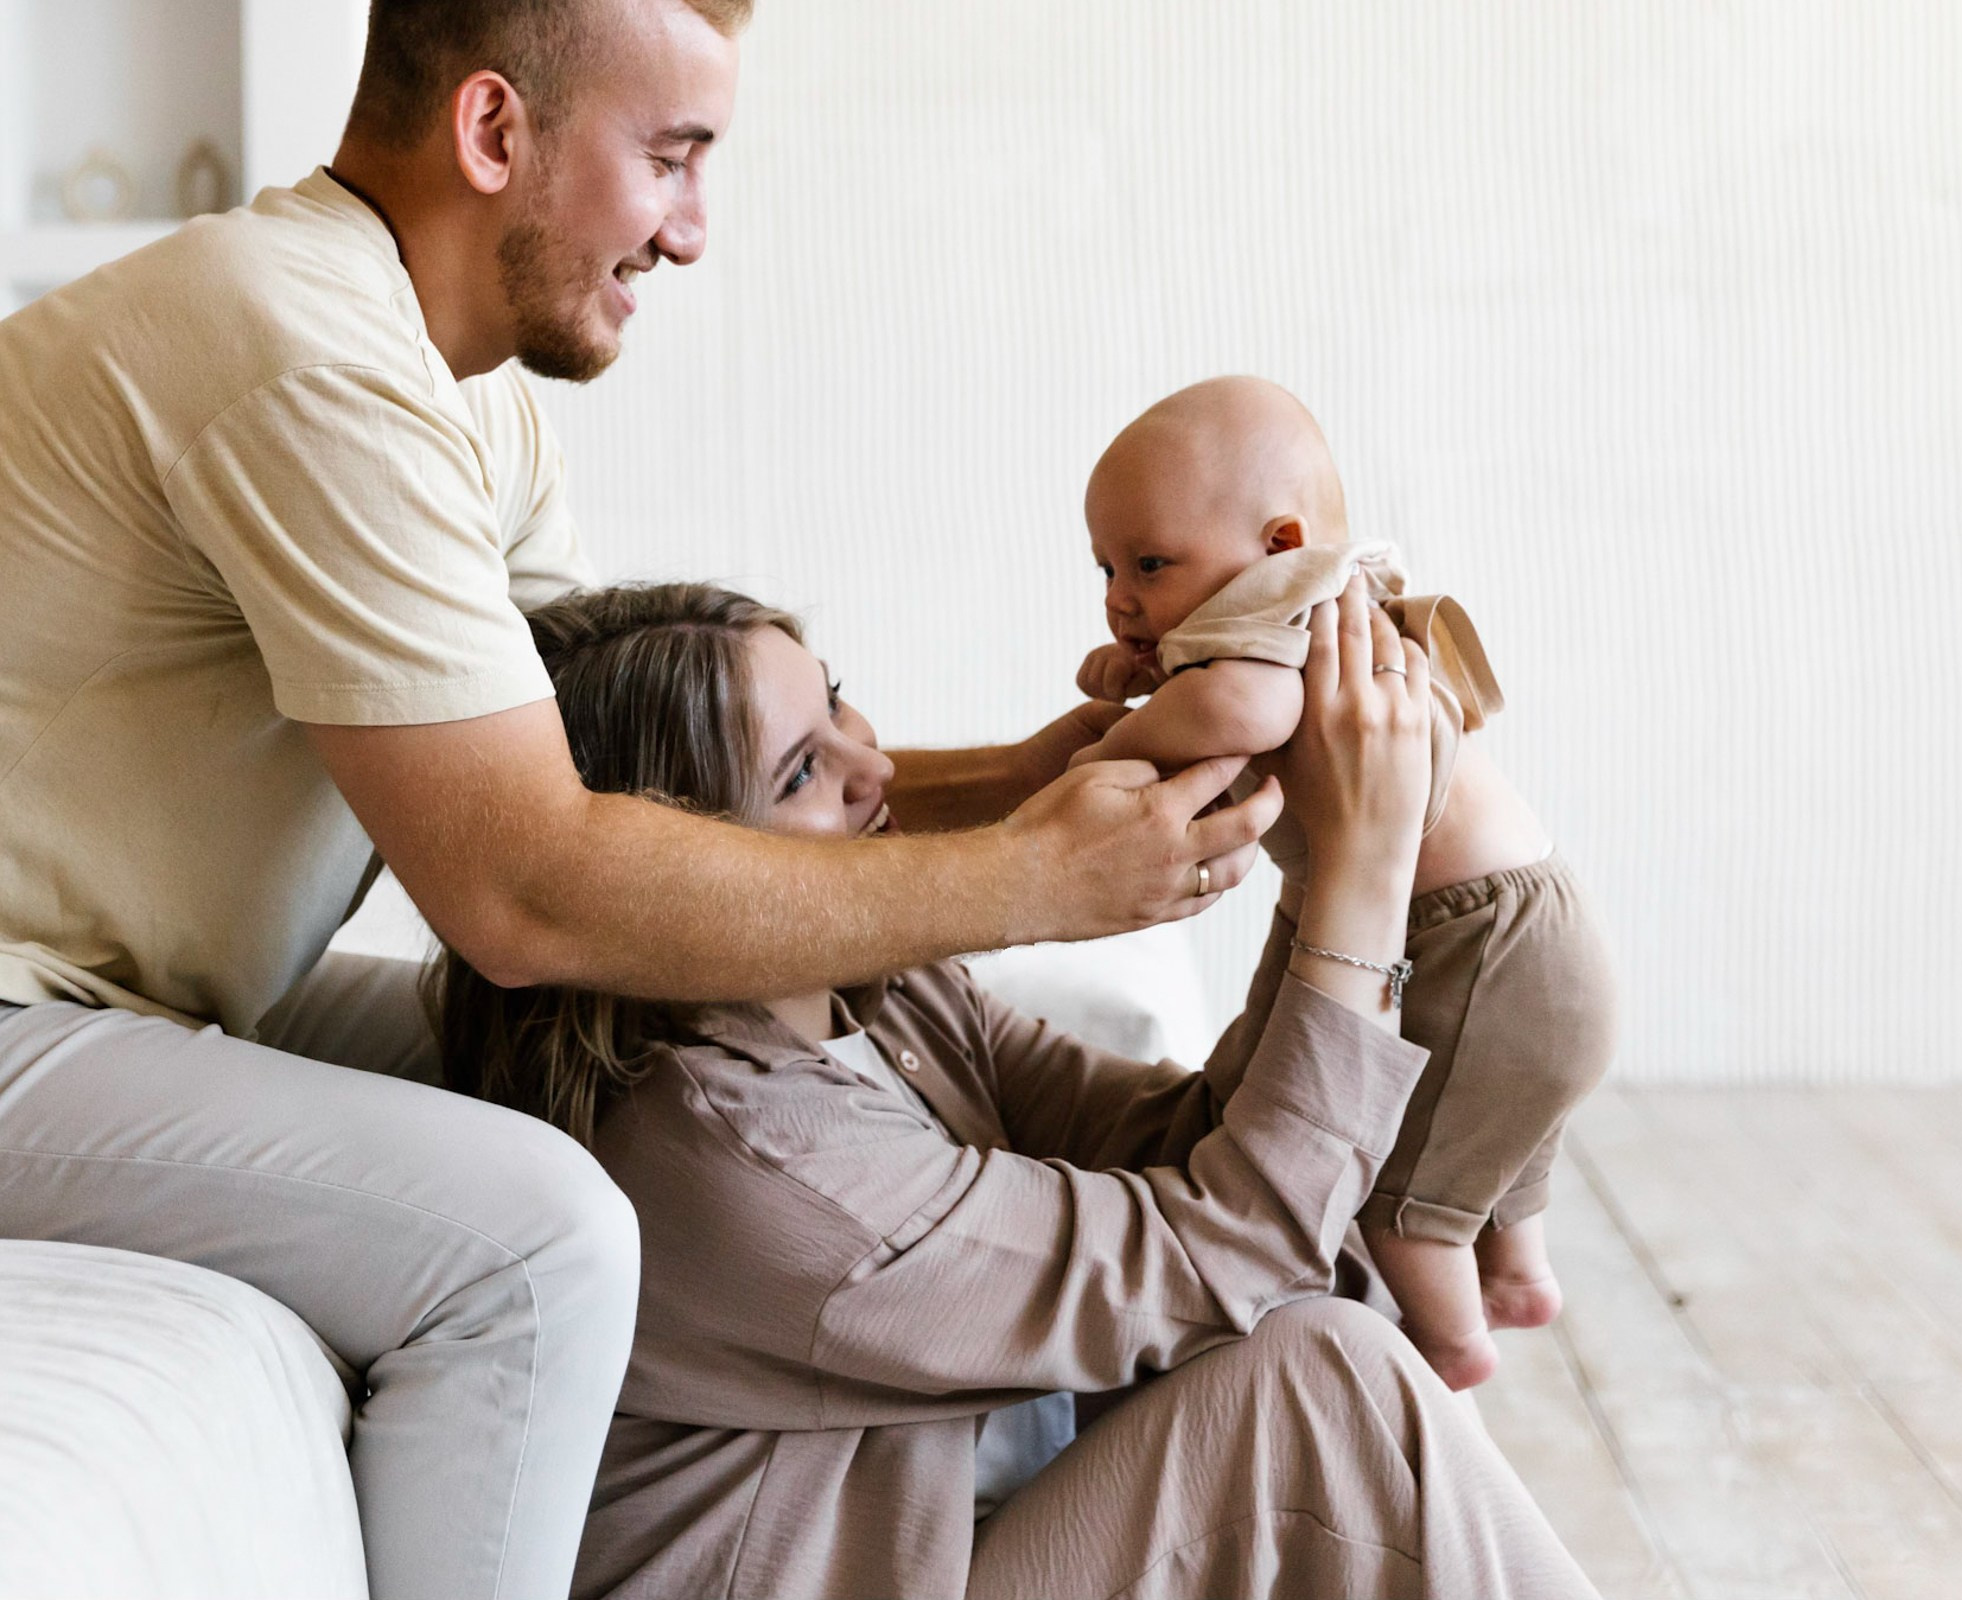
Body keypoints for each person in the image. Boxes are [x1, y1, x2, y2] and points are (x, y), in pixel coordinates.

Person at [0, 3, 1269, 1596]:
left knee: (653, 1068)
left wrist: (1040, 778)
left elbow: (641, 791)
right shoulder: (302, 357)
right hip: (21, 1013)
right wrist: (1032, 878)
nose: (690, 230)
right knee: (543, 1235)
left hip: (119, 996)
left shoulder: (456, 390)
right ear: (491, 133)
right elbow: (530, 892)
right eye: (670, 159)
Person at [432, 576, 1600, 1599]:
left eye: (836, 703)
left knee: (1323, 1336)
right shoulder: (742, 1160)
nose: (876, 769)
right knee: (1319, 1381)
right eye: (802, 771)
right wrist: (1365, 867)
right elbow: (1233, 1250)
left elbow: (1194, 1153)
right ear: (687, 870)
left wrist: (1310, 841)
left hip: (964, 1544)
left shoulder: (878, 1002)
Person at [1071, 375, 1617, 1390]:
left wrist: (1114, 741)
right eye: (1106, 565)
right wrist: (1151, 662)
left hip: (1470, 940)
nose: (1120, 593)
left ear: (1279, 545)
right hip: (1533, 925)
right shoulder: (1316, 599)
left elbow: (1232, 709)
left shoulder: (1273, 625)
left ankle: (1451, 1342)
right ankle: (1519, 1263)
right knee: (1484, 1122)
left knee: (1394, 1186)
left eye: (1149, 562)